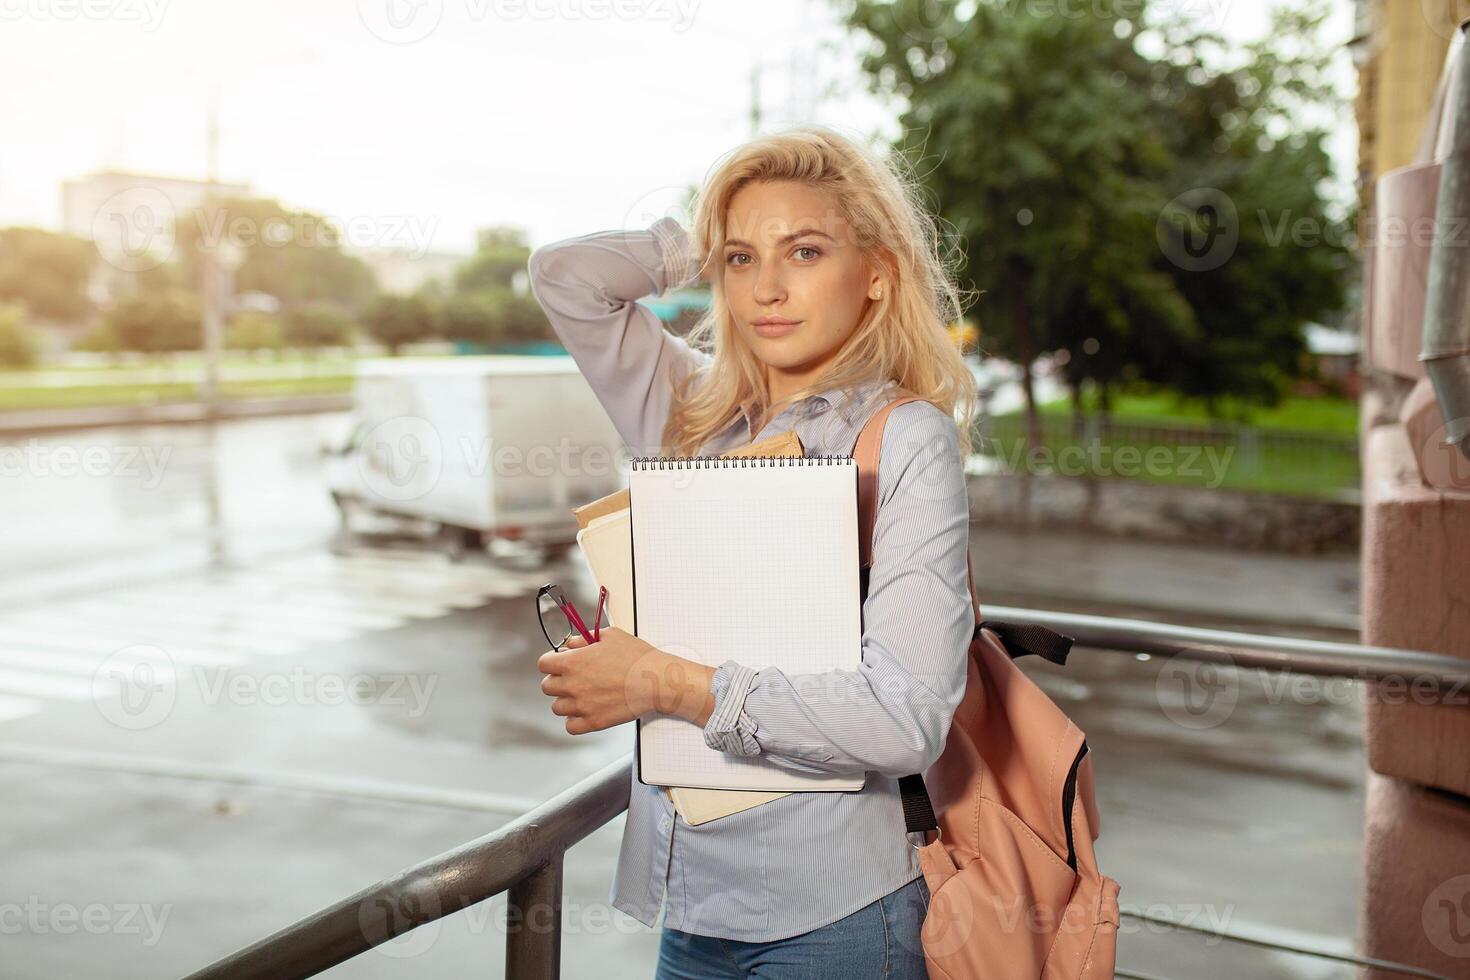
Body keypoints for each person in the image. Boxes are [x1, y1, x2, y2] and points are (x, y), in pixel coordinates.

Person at [528, 125, 977, 979]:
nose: (766, 288)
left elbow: (904, 718)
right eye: (741, 260)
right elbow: (565, 278)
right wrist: (701, 237)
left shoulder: (906, 438)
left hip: (836, 914)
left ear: (876, 272)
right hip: (694, 906)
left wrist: (659, 682)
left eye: (804, 251)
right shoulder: (691, 410)